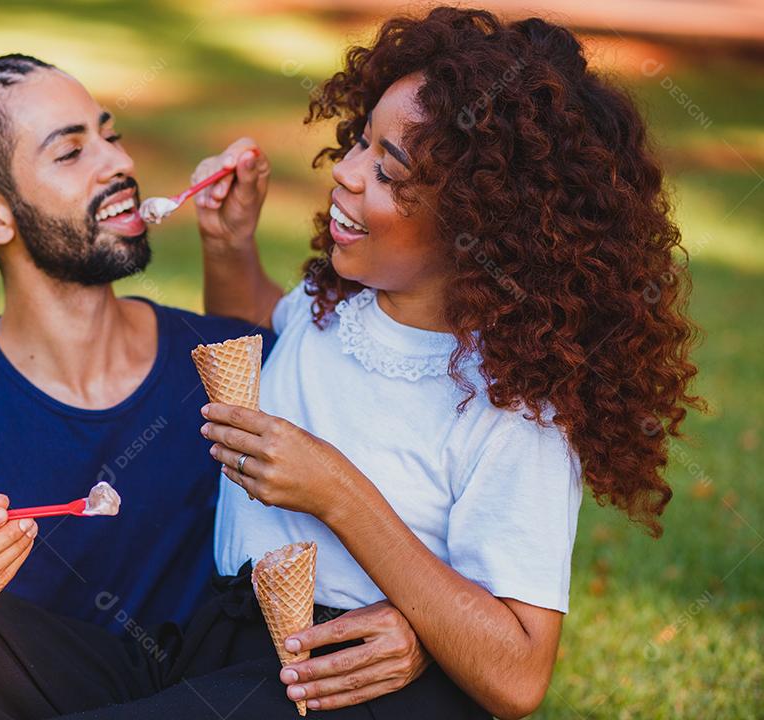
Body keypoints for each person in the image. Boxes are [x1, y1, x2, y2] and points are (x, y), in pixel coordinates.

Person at [0, 54, 427, 720]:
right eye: (71, 153)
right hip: (43, 688)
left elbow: (409, 502)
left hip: (224, 691)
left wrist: (418, 632)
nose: (117, 163)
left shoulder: (227, 365)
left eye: (109, 135)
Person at [195, 6, 701, 717]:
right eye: (359, 141)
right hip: (215, 635)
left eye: (386, 167)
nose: (343, 173)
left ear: (477, 219)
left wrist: (337, 491)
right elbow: (256, 336)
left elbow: (520, 676)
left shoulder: (511, 409)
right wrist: (229, 246)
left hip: (339, 679)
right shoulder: (339, 301)